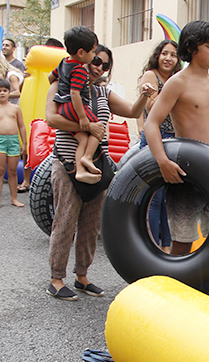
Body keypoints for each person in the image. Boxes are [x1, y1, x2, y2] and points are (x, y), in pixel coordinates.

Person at [44, 43, 150, 300]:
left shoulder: (104, 92)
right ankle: (56, 279)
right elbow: (51, 118)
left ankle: (82, 276)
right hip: (67, 164)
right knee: (65, 222)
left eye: (104, 64)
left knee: (91, 226)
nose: (98, 67)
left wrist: (145, 95)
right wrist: (89, 127)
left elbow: (133, 111)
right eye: (96, 61)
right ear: (86, 58)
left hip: (96, 167)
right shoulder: (61, 85)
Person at [144, 20, 209, 305]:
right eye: (208, 46)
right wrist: (162, 161)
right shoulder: (177, 83)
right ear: (191, 48)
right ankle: (174, 306)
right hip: (186, 173)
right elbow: (152, 123)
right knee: (182, 242)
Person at [135, 39, 183, 251]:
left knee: (169, 198)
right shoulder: (151, 76)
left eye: (173, 55)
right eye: (165, 53)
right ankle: (154, 246)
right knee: (155, 197)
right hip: (155, 136)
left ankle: (167, 246)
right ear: (158, 55)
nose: (168, 58)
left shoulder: (177, 79)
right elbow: (151, 105)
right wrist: (172, 91)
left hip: (174, 137)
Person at [52, 26, 103, 184]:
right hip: (73, 106)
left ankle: (80, 170)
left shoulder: (63, 62)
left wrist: (60, 87)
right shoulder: (80, 70)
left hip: (62, 106)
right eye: (93, 52)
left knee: (82, 138)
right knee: (98, 129)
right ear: (81, 52)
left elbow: (50, 77)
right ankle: (87, 157)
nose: (94, 55)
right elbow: (75, 93)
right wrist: (83, 119)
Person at [0, 78, 28, 208]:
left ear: (9, 92)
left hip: (13, 140)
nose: (2, 93)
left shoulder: (15, 108)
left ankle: (14, 198)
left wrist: (24, 143)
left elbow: (22, 126)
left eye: (5, 90)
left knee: (13, 171)